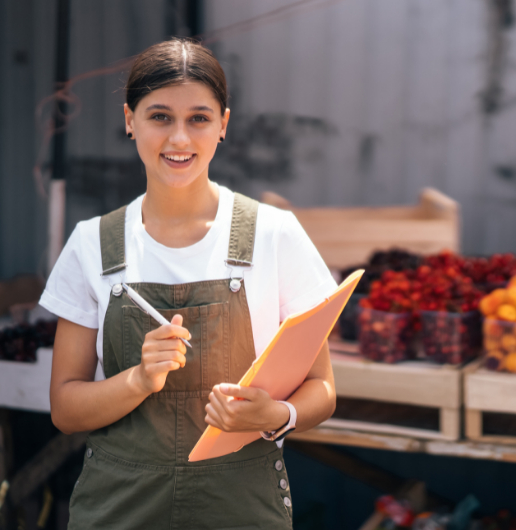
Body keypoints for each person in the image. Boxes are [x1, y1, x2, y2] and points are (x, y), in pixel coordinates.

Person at [40, 37, 338, 529]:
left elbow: (323, 389)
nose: (179, 138)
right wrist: (137, 379)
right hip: (119, 505)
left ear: (223, 124)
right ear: (129, 120)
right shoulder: (91, 244)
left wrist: (274, 415)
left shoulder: (275, 234)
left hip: (240, 508)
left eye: (198, 118)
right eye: (160, 116)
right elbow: (65, 409)